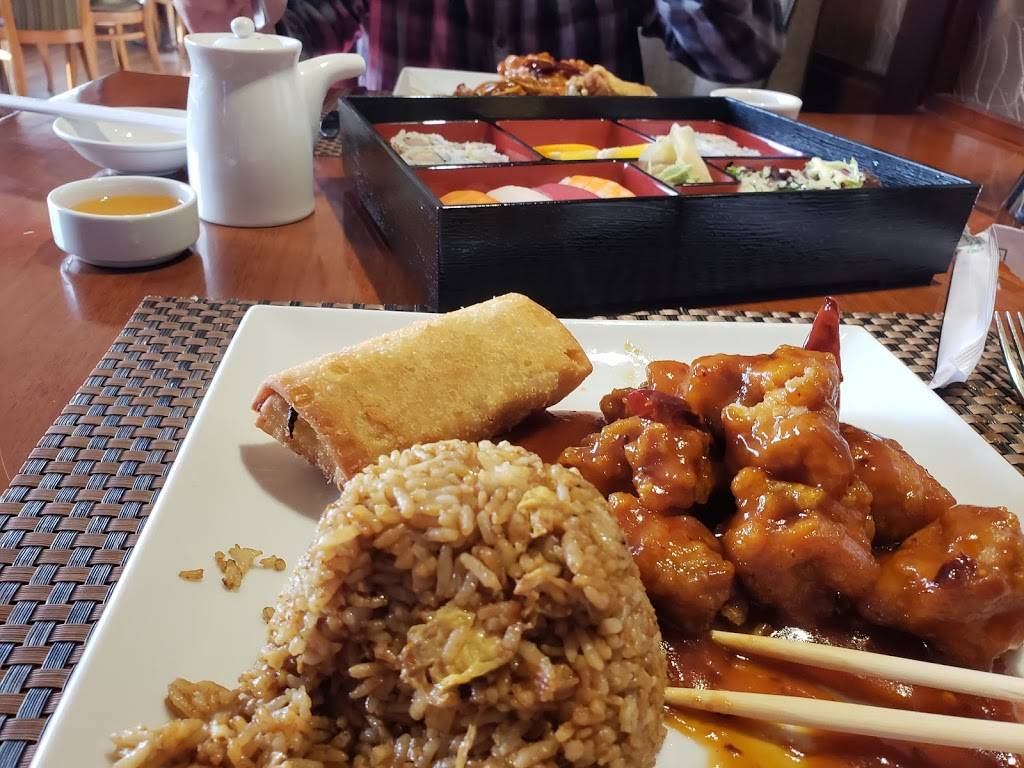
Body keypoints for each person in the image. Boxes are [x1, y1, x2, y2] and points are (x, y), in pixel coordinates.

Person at [174, 0, 785, 92]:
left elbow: (739, 57)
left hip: (597, 189)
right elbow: (300, 37)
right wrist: (244, 25)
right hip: (399, 172)